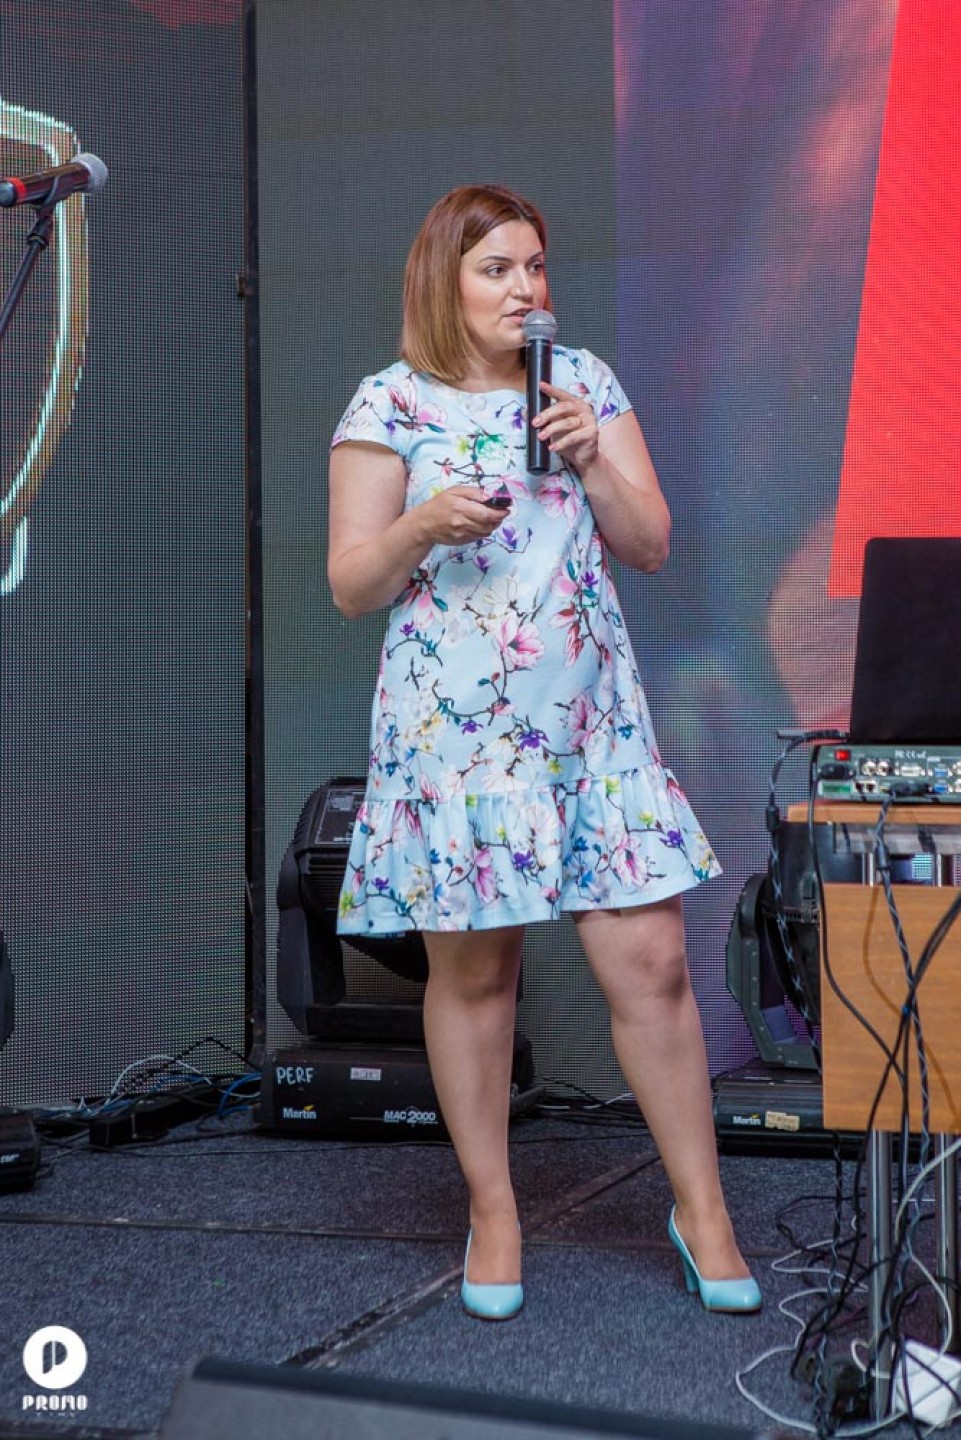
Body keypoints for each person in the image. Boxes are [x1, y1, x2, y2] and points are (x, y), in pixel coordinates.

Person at [327, 184, 760, 1321]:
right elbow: (351, 584)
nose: (525, 289)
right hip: (458, 745)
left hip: (590, 732)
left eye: (535, 267)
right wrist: (420, 525)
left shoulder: (584, 386)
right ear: (445, 282)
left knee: (653, 968)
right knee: (477, 979)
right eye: (497, 270)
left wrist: (593, 460)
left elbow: (650, 543)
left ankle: (702, 1212)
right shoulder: (390, 401)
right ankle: (494, 1212)